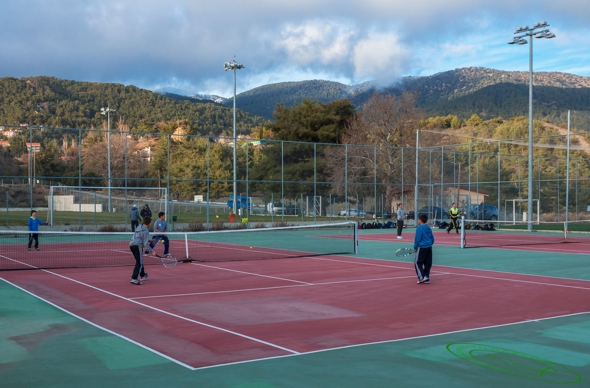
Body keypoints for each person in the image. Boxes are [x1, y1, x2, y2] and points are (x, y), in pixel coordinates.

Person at [129, 216, 153, 285]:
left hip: (131, 245)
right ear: (149, 223)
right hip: (137, 246)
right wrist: (152, 251)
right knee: (139, 262)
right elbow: (145, 245)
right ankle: (134, 278)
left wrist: (148, 240)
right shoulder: (146, 231)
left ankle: (143, 275)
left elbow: (140, 237)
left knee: (139, 260)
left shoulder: (139, 227)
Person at [414, 214, 435, 284]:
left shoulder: (419, 228)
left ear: (420, 220)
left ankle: (423, 277)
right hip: (429, 247)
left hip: (422, 248)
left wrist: (415, 247)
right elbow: (432, 237)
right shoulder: (428, 228)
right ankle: (426, 277)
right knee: (427, 263)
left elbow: (417, 239)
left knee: (417, 262)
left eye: (418, 219)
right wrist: (430, 243)